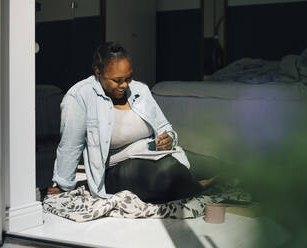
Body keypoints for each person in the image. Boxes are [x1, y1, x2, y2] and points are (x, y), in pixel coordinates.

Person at [47, 41, 219, 203]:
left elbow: (164, 127)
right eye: (117, 80)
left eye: (128, 78)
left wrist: (169, 139)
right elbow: (70, 145)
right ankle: (195, 186)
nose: (124, 85)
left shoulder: (140, 90)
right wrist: (63, 185)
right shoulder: (79, 96)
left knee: (215, 165)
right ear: (98, 73)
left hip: (153, 153)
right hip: (116, 167)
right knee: (166, 175)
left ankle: (193, 182)